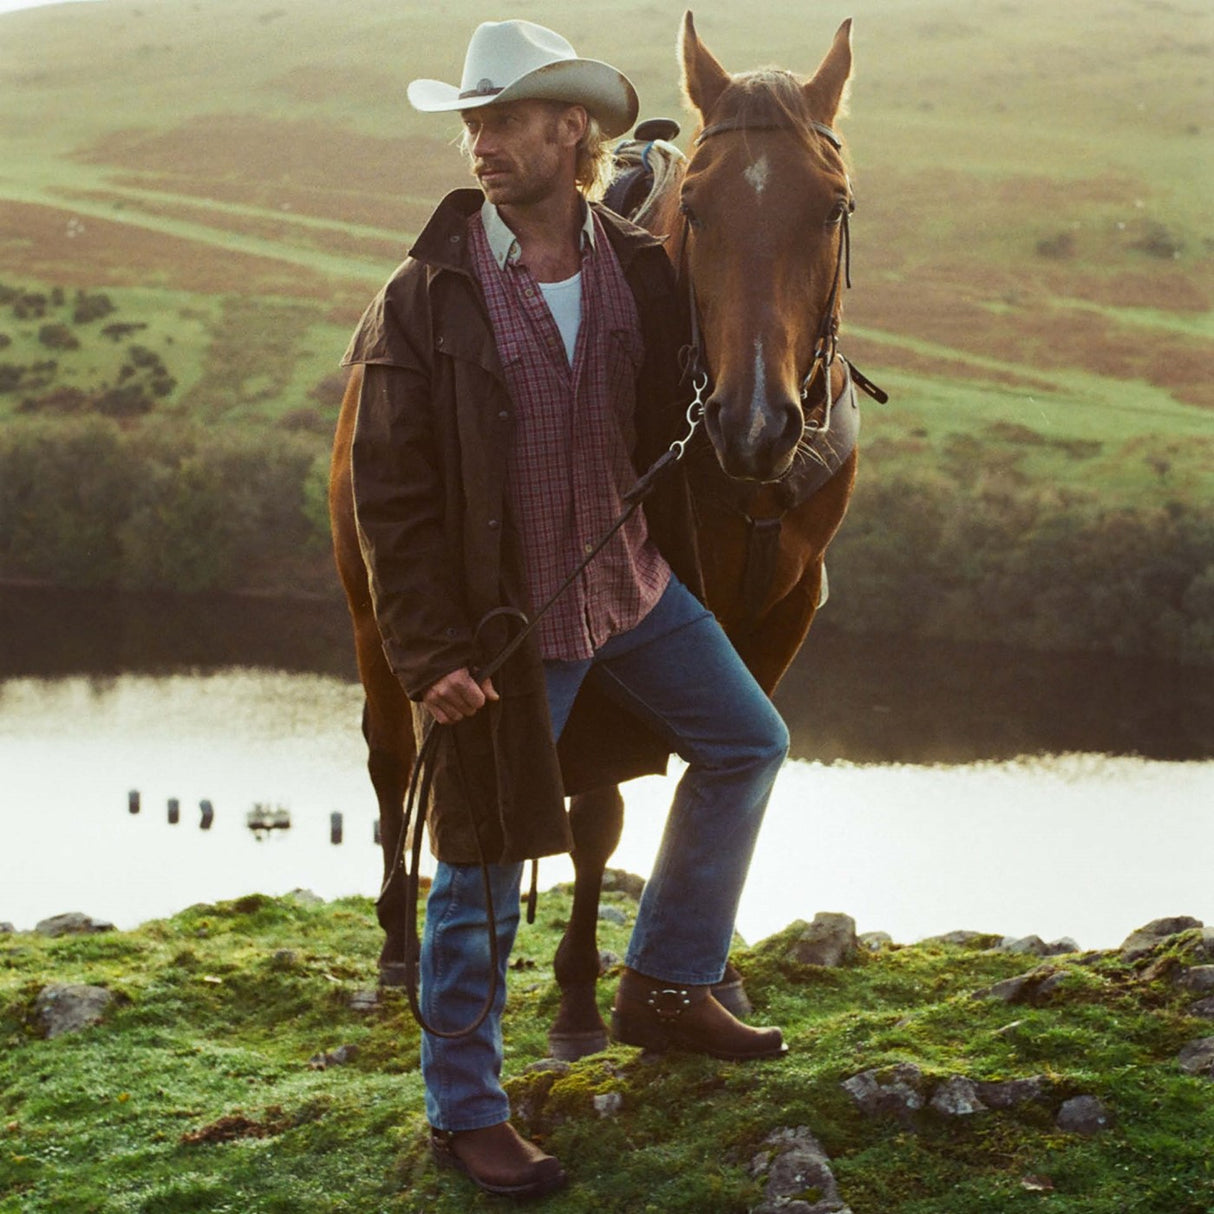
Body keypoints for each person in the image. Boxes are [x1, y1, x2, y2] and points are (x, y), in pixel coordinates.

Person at [343, 19, 790, 1201]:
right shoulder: (423, 297)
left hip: (630, 586)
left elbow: (752, 309)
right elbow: (387, 494)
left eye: (501, 121)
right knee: (480, 872)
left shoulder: (639, 268)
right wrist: (428, 650)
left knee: (750, 741)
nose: (478, 143)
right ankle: (466, 1111)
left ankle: (666, 980)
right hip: (502, 629)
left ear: (569, 131)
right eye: (470, 123)